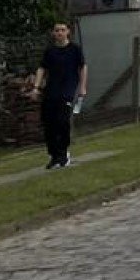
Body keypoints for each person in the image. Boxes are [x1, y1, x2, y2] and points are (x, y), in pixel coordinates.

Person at [32, 20, 87, 169]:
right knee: (50, 124)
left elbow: (82, 67)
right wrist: (36, 87)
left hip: (68, 90)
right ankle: (54, 155)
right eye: (57, 30)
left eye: (62, 30)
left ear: (68, 32)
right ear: (53, 33)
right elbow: (42, 69)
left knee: (63, 121)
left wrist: (82, 87)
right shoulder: (50, 51)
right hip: (51, 91)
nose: (59, 33)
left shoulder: (75, 50)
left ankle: (63, 154)